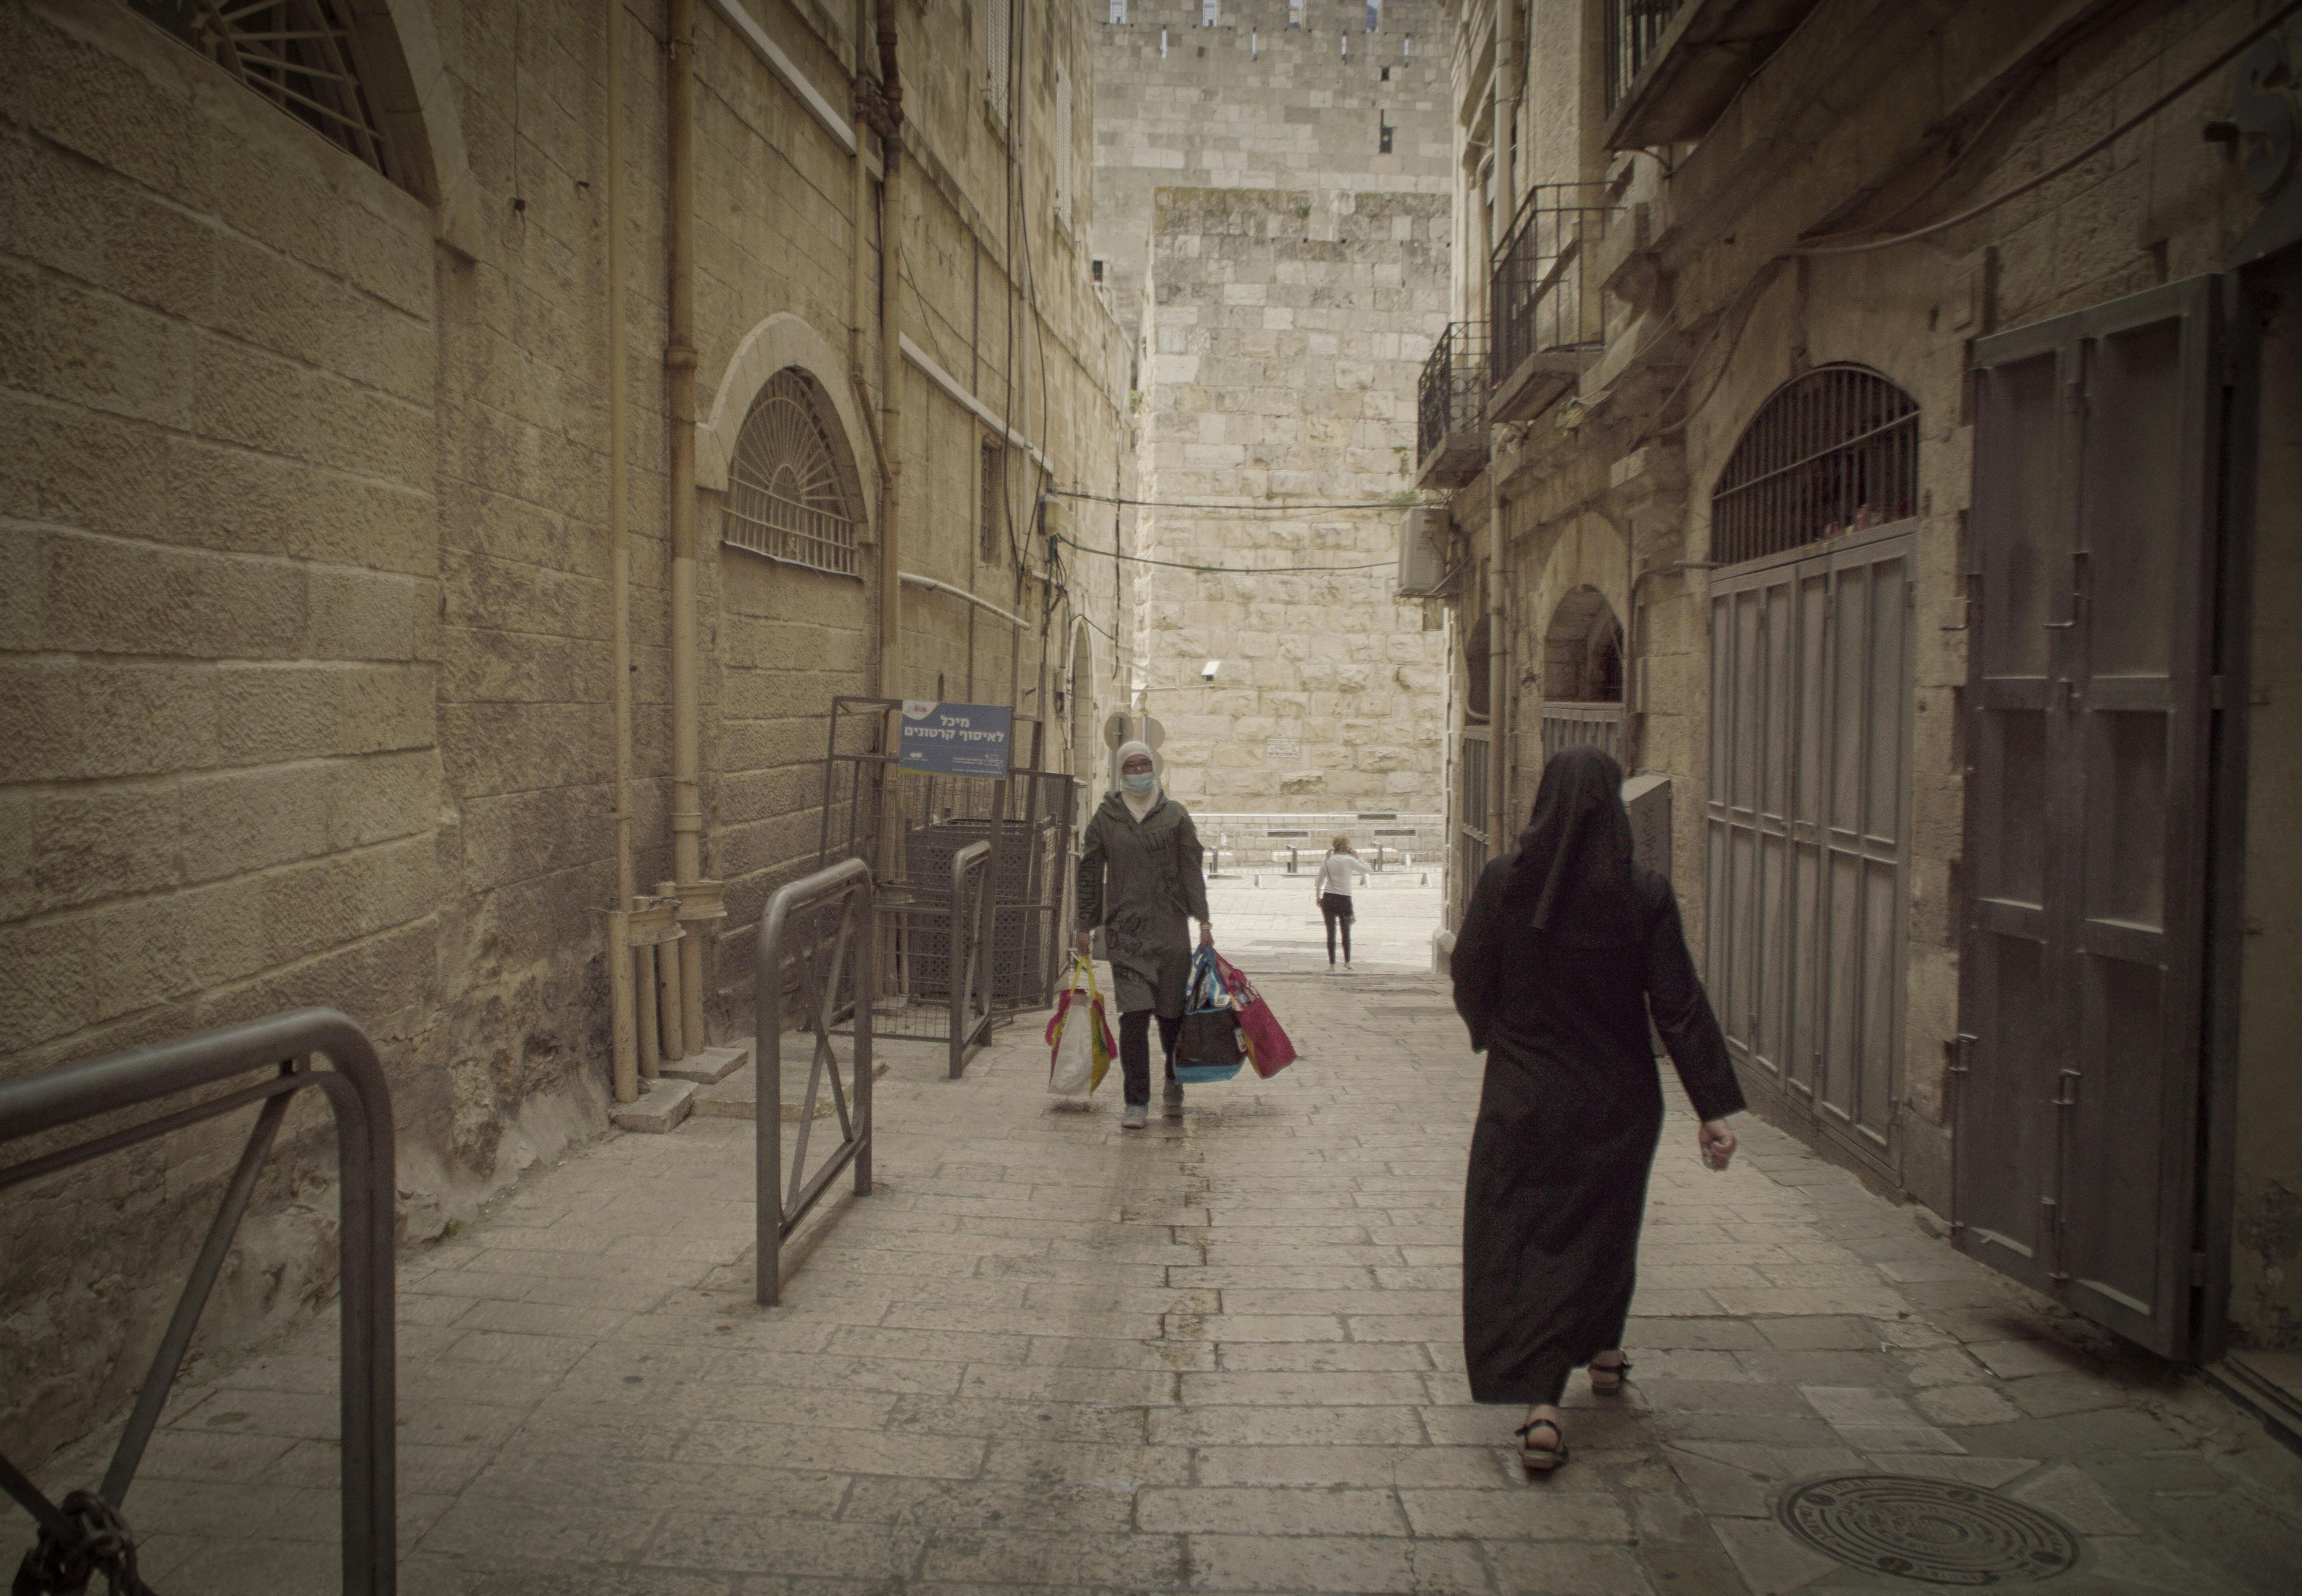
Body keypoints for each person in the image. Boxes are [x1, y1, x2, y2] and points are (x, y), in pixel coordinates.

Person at [1449, 745, 1745, 1474]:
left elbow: (1470, 974)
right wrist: (1713, 1107)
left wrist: (1498, 1035)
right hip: (1618, 1098)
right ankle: (1604, 1351)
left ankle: (1543, 1404)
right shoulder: (1641, 891)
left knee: (1525, 1238)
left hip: (1524, 1096)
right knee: (1605, 1230)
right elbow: (1677, 1002)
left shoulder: (1500, 884)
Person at [1075, 741, 1213, 1129]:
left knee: (1171, 1017)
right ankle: (1135, 1101)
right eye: (1131, 766)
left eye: (1144, 764)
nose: (1138, 772)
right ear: (1120, 772)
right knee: (1133, 1018)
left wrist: (1202, 921)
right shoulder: (1105, 819)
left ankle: (1173, 1076)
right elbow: (1089, 874)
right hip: (1125, 936)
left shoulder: (1175, 816)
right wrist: (1083, 924)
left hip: (1171, 936)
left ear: (1155, 768)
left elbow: (1192, 872)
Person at [1313, 835, 1371, 969]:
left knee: (1330, 931)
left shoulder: (1326, 860)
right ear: (1347, 847)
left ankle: (1332, 964)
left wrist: (1318, 897)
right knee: (1346, 931)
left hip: (1328, 897)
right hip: (1345, 898)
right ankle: (1347, 962)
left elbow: (1319, 882)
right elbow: (1368, 870)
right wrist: (1358, 857)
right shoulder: (1349, 860)